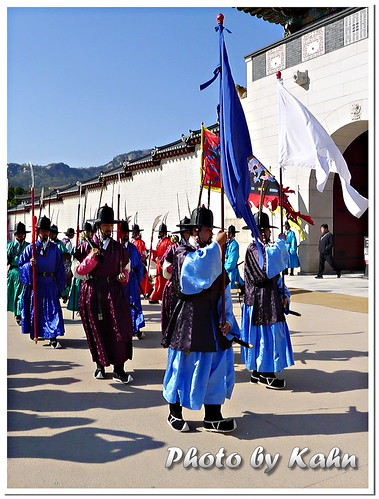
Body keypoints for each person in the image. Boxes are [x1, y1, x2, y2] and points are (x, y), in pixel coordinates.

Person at [162, 206, 240, 433]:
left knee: (215, 366)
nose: (210, 234)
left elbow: (222, 289)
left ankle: (213, 415)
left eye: (210, 230)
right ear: (196, 231)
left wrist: (228, 321)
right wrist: (217, 245)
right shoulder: (182, 253)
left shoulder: (213, 254)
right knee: (183, 366)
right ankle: (174, 411)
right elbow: (195, 273)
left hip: (212, 319)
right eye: (206, 230)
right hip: (189, 319)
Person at [73, 205, 134, 383]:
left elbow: (126, 270)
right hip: (92, 291)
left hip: (114, 292)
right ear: (98, 226)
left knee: (119, 329)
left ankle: (119, 368)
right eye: (105, 225)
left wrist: (123, 277)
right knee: (96, 329)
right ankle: (100, 364)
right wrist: (92, 258)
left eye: (111, 225)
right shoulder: (85, 247)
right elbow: (77, 272)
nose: (109, 228)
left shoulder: (119, 248)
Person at [240, 212, 294, 389]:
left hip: (268, 299)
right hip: (258, 302)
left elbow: (276, 275)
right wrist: (280, 245)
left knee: (265, 336)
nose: (265, 233)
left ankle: (258, 370)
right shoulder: (254, 249)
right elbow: (266, 271)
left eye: (266, 230)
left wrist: (283, 292)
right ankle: (266, 372)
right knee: (265, 337)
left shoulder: (263, 249)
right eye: (261, 230)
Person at [18, 216, 66, 348]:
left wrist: (61, 287)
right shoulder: (31, 248)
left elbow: (60, 268)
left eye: (47, 231)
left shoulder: (55, 249)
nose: (45, 233)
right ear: (38, 231)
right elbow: (21, 264)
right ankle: (38, 332)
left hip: (50, 282)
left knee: (53, 310)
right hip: (37, 283)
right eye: (43, 231)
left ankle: (53, 337)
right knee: (37, 310)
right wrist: (29, 264)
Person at [161, 217, 194, 335]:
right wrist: (176, 269)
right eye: (185, 232)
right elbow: (165, 265)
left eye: (190, 231)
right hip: (174, 288)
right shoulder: (173, 248)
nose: (188, 234)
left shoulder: (196, 249)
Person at [120, 220, 146, 340]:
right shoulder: (115, 247)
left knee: (134, 304)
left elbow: (140, 265)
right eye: (123, 232)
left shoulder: (133, 248)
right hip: (118, 281)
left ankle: (136, 328)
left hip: (131, 281)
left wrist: (137, 280)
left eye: (126, 233)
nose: (125, 235)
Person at [67, 222, 94, 313]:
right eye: (84, 232)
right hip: (79, 272)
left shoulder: (93, 245)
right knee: (79, 292)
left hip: (90, 273)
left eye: (88, 232)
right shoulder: (77, 247)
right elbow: (72, 260)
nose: (86, 234)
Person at [7, 222, 30, 325]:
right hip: (14, 272)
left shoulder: (28, 246)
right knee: (15, 295)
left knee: (23, 294)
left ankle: (19, 314)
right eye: (18, 234)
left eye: (22, 233)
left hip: (25, 272)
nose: (20, 235)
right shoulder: (11, 246)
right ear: (15, 235)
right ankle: (16, 312)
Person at [148, 223, 174, 304]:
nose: (159, 234)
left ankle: (157, 296)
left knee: (163, 281)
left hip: (164, 263)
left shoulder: (168, 242)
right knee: (159, 281)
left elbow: (169, 253)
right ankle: (157, 296)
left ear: (164, 232)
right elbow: (158, 252)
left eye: (160, 232)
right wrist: (152, 251)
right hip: (159, 263)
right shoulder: (160, 241)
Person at [50, 224, 71, 302]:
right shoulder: (46, 243)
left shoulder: (60, 244)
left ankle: (63, 295)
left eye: (53, 233)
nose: (51, 235)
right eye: (50, 233)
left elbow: (66, 257)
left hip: (58, 268)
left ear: (56, 234)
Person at [131, 223, 152, 297]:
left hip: (138, 264)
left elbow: (141, 254)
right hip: (136, 263)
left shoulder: (139, 243)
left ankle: (147, 290)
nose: (133, 234)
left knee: (142, 278)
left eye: (134, 233)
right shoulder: (135, 242)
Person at [224, 225, 245, 290]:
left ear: (233, 234)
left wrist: (224, 269)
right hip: (226, 271)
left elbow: (232, 261)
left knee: (231, 289)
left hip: (231, 272)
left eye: (229, 233)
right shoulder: (227, 244)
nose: (228, 235)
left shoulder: (234, 245)